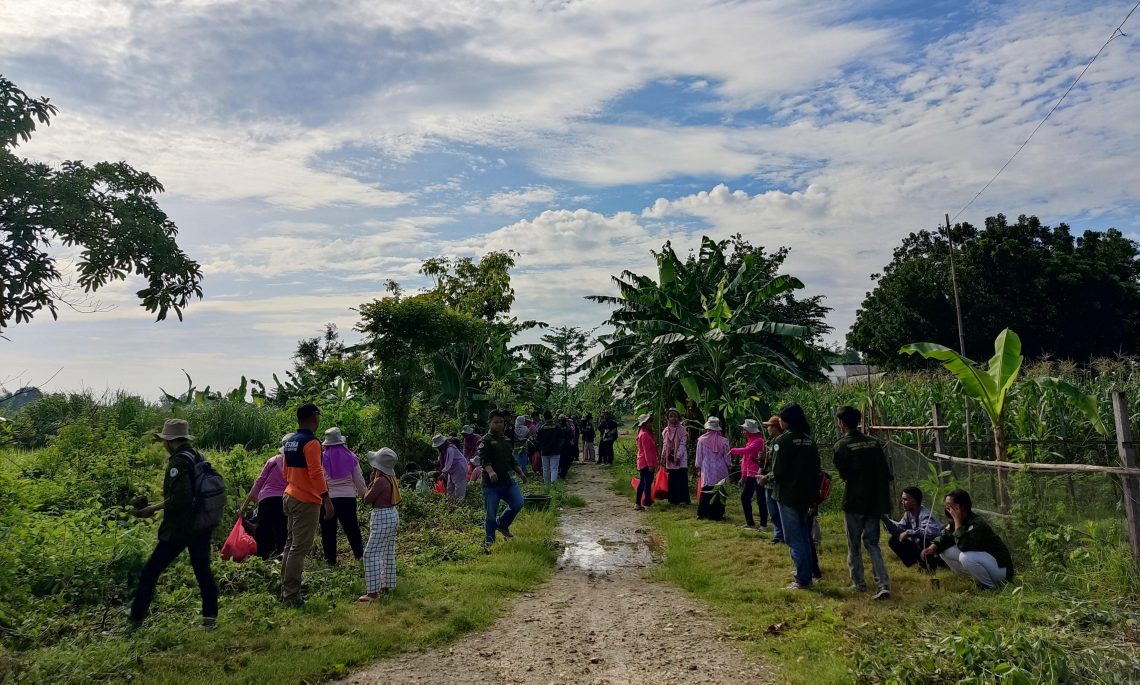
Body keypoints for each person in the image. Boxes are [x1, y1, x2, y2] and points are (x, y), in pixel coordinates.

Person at [129, 419, 219, 629]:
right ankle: (210, 619)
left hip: (181, 527)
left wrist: (153, 508)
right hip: (202, 523)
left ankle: (135, 620)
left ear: (169, 441)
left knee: (150, 572)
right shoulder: (197, 456)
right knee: (203, 571)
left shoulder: (178, 462)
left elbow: (181, 497)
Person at [833, 406, 893, 600]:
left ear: (841, 423)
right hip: (875, 501)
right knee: (873, 543)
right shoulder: (874, 443)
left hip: (854, 501)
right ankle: (882, 583)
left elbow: (844, 474)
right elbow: (885, 473)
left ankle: (858, 583)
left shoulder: (842, 446)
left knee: (854, 543)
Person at [760, 403, 821, 590]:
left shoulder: (782, 441)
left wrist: (764, 478)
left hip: (787, 495)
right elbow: (816, 470)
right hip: (806, 494)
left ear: (786, 421)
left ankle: (803, 579)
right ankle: (806, 573)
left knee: (793, 538)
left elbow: (778, 472)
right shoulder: (808, 440)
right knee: (803, 535)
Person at [280, 403, 335, 607]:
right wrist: (326, 499)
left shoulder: (290, 441)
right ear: (314, 418)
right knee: (299, 548)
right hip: (306, 500)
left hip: (289, 495)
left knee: (290, 545)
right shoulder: (311, 443)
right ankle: (292, 596)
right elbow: (316, 472)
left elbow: (285, 472)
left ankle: (284, 590)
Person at [921, 489, 1014, 589]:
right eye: (946, 506)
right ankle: (974, 579)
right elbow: (944, 537)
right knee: (944, 550)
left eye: (951, 506)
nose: (948, 509)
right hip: (986, 564)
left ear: (962, 506)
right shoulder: (955, 523)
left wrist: (957, 522)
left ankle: (989, 587)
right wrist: (932, 547)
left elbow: (965, 546)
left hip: (1001, 570)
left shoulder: (977, 523)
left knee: (965, 556)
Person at [479, 409, 529, 552]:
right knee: (490, 514)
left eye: (501, 422)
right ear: (489, 423)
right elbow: (484, 460)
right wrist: (491, 471)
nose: (499, 425)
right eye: (496, 422)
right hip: (491, 484)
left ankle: (502, 524)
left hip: (507, 481)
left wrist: (520, 473)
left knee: (518, 503)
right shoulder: (485, 441)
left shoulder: (506, 440)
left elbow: (511, 459)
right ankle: (489, 541)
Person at [319, 427, 367, 566]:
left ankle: (331, 562)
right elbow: (359, 479)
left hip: (328, 498)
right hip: (347, 498)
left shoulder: (322, 458)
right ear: (341, 442)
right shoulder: (351, 456)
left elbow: (319, 478)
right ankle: (360, 556)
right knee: (352, 528)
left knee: (328, 531)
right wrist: (364, 494)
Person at [237, 436, 290, 560]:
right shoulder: (296, 464)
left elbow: (258, 483)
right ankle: (280, 559)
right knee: (281, 530)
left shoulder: (273, 460)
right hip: (284, 500)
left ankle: (261, 560)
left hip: (266, 499)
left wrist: (244, 507)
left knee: (263, 530)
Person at [359, 448, 401, 603]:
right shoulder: (390, 478)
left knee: (370, 554)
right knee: (387, 551)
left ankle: (372, 593)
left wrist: (370, 483)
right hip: (392, 514)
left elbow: (367, 499)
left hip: (382, 516)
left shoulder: (380, 480)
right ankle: (386, 585)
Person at [883, 486, 944, 571]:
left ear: (915, 500)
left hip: (936, 549)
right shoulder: (908, 513)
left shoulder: (924, 514)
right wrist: (885, 519)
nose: (902, 502)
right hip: (922, 547)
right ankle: (916, 564)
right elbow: (899, 530)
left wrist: (909, 533)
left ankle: (932, 566)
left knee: (922, 540)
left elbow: (931, 532)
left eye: (905, 499)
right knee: (894, 540)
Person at [730, 419, 767, 529]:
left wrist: (734, 450)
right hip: (750, 475)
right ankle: (750, 522)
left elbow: (748, 450)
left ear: (750, 431)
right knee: (745, 497)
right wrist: (743, 476)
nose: (743, 432)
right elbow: (745, 461)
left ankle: (763, 524)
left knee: (761, 500)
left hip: (758, 474)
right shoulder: (750, 440)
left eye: (744, 429)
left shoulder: (759, 441)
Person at [694, 416, 731, 519]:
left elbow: (699, 457)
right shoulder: (724, 441)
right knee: (720, 491)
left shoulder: (701, 440)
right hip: (721, 469)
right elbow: (727, 457)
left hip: (707, 468)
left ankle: (702, 513)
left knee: (706, 490)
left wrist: (699, 467)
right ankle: (717, 514)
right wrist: (729, 466)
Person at [761, 416, 785, 544]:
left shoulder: (781, 442)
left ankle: (781, 535)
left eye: (769, 426)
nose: (768, 429)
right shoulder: (772, 442)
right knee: (773, 511)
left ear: (776, 427)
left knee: (779, 510)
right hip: (768, 480)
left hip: (775, 480)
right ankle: (778, 534)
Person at [661, 408, 690, 505]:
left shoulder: (682, 430)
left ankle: (683, 499)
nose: (673, 418)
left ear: (678, 417)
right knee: (672, 479)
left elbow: (682, 444)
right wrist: (663, 456)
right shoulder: (666, 431)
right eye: (671, 416)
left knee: (681, 479)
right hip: (670, 459)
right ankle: (673, 499)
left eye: (675, 416)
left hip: (680, 459)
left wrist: (677, 456)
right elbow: (665, 444)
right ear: (668, 418)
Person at [434, 433, 469, 503]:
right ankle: (451, 504)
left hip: (460, 468)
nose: (438, 448)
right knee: (450, 488)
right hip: (452, 469)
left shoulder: (450, 449)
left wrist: (443, 473)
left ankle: (459, 506)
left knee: (459, 488)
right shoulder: (443, 451)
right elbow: (444, 462)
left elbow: (449, 462)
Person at [634, 413, 657, 510]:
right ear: (644, 423)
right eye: (648, 422)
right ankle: (647, 503)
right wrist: (650, 465)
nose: (650, 423)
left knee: (643, 482)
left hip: (643, 461)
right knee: (647, 483)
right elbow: (647, 452)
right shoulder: (645, 435)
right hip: (646, 462)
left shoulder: (643, 433)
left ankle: (638, 503)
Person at [536, 410, 564, 484]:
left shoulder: (541, 428)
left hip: (544, 451)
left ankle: (547, 485)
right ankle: (553, 484)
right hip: (555, 450)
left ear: (544, 418)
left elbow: (538, 440)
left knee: (545, 469)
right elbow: (562, 438)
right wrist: (559, 447)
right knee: (554, 468)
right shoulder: (557, 427)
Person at [558, 414, 577, 480]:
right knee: (565, 461)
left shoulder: (561, 426)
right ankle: (562, 474)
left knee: (564, 461)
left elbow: (571, 435)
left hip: (563, 446)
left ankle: (562, 474)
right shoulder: (566, 426)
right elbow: (571, 435)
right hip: (564, 446)